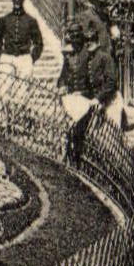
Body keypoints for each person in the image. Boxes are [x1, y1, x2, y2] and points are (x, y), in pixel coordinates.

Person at [0, 0, 43, 99]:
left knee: (22, 92)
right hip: (7, 57)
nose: (17, 1)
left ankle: (19, 116)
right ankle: (4, 116)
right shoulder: (4, 20)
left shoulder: (30, 21)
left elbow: (38, 43)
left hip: (24, 58)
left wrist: (31, 58)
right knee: (4, 90)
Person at [57, 25, 94, 165]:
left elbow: (95, 82)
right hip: (71, 99)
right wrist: (62, 86)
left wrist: (84, 93)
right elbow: (62, 77)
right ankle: (69, 159)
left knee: (79, 133)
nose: (75, 40)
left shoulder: (89, 55)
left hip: (85, 100)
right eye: (72, 37)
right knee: (68, 132)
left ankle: (77, 161)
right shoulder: (68, 57)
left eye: (77, 36)